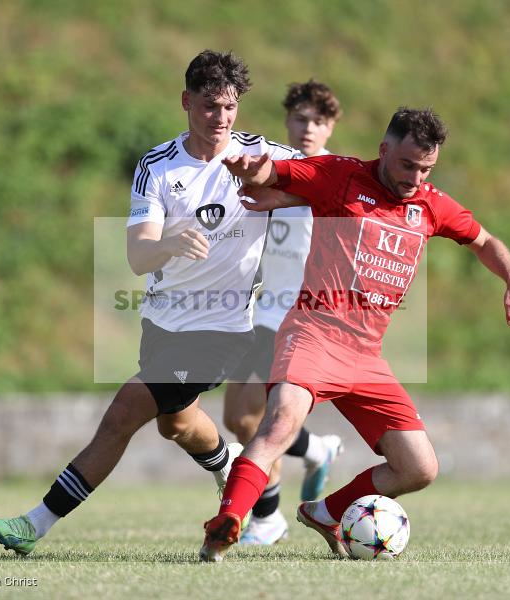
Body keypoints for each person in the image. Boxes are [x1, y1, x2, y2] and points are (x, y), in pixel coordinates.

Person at [0, 50, 300, 555]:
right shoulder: (157, 165)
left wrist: (388, 186)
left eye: (230, 107)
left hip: (222, 327)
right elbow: (137, 254)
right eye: (209, 106)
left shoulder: (258, 155)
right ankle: (228, 465)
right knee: (175, 423)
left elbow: (331, 175)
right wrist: (170, 243)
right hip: (162, 322)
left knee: (123, 412)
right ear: (186, 102)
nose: (220, 118)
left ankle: (34, 523)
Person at [200, 107, 510, 561]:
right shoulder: (340, 176)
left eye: (426, 168)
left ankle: (325, 511)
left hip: (366, 356)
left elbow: (485, 241)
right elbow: (276, 170)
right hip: (314, 333)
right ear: (384, 150)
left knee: (419, 468)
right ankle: (227, 524)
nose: (415, 177)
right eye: (407, 165)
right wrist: (252, 169)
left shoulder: (431, 205)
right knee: (279, 424)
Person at [223, 80, 346, 546]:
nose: (308, 127)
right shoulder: (273, 169)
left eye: (318, 120)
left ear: (331, 125)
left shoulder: (338, 174)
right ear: (287, 122)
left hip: (303, 315)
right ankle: (317, 448)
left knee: (259, 416)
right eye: (300, 118)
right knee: (240, 419)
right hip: (261, 309)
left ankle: (268, 517)